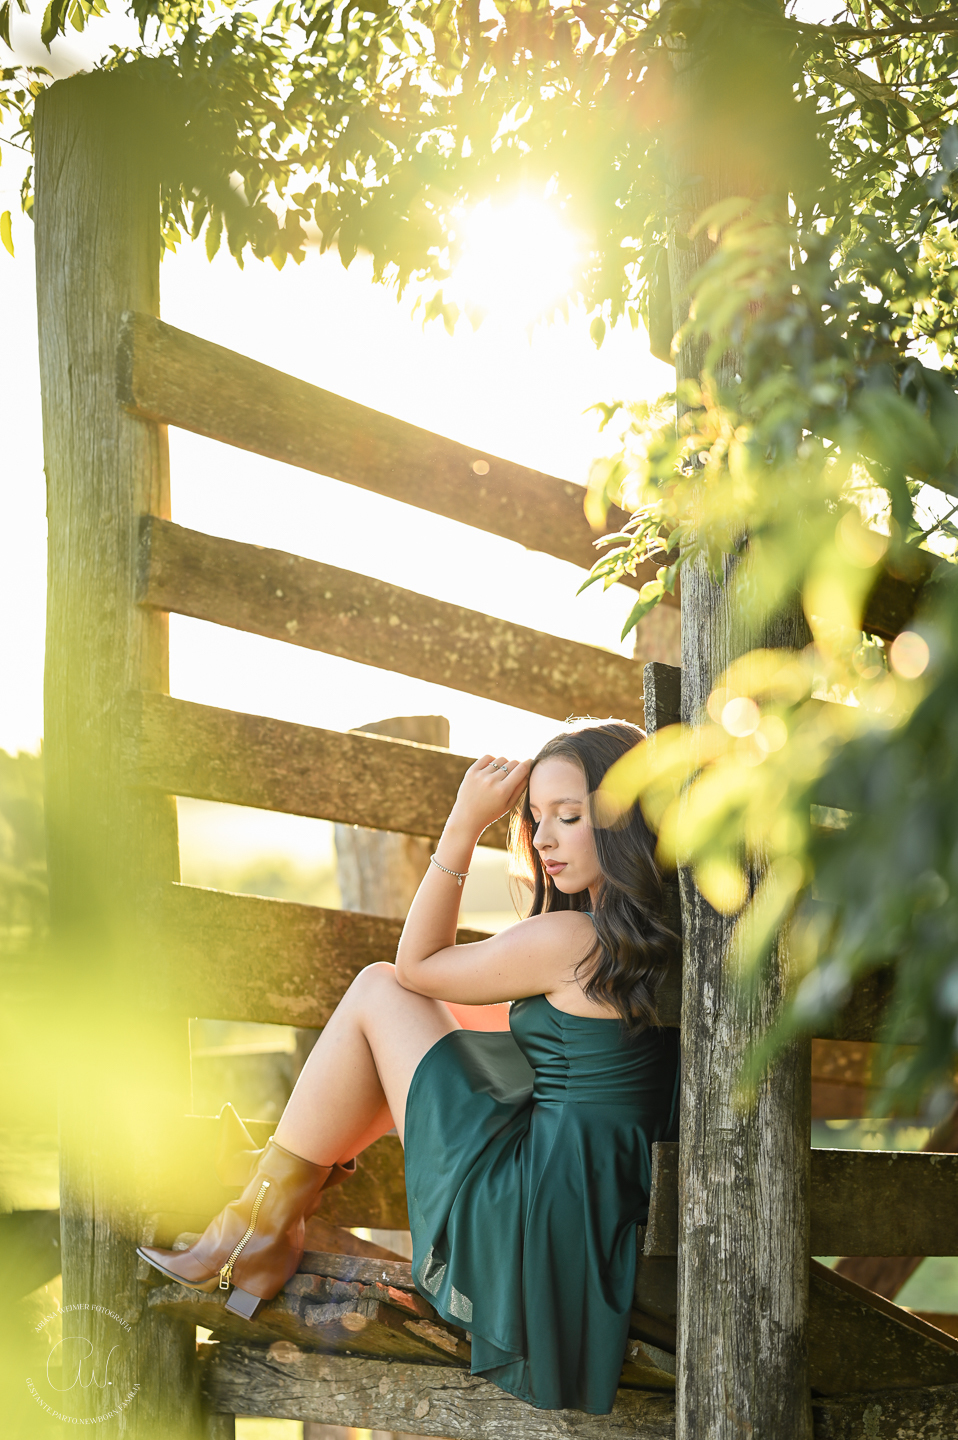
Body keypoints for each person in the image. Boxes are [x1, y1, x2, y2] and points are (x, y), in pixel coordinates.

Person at [138, 719, 680, 1415]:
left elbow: (415, 967)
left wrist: (462, 826)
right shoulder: (648, 940)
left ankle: (259, 1215)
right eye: (535, 818)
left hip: (536, 1215)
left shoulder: (573, 938)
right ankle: (268, 1206)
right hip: (592, 1205)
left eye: (568, 817)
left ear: (623, 819)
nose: (543, 839)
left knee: (378, 988)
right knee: (435, 1028)